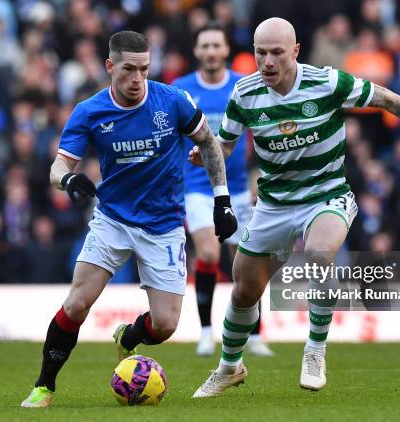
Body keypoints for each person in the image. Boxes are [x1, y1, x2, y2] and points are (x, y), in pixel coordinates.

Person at [191, 18, 400, 397]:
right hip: (274, 203)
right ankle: (229, 367)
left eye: (277, 53)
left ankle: (314, 350)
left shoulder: (327, 82)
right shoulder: (244, 92)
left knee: (318, 253)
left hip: (325, 194)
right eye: (261, 53)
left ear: (294, 51)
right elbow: (224, 146)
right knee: (244, 289)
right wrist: (206, 154)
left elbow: (390, 101)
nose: (267, 62)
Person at [21, 30, 237, 408]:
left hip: (164, 224)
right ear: (110, 67)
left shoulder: (172, 101)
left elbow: (208, 142)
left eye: (144, 69)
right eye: (128, 69)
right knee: (76, 304)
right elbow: (57, 167)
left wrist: (222, 200)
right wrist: (69, 179)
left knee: (166, 324)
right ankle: (44, 386)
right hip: (113, 220)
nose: (137, 79)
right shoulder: (89, 111)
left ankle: (128, 336)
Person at [173, 22, 273, 357]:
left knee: (245, 263)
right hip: (198, 187)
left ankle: (255, 334)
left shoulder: (242, 86)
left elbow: (261, 134)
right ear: (197, 51)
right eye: (206, 46)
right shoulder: (181, 89)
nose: (212, 51)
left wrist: (263, 174)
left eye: (217, 45)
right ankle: (205, 332)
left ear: (226, 49)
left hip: (240, 188)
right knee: (208, 253)